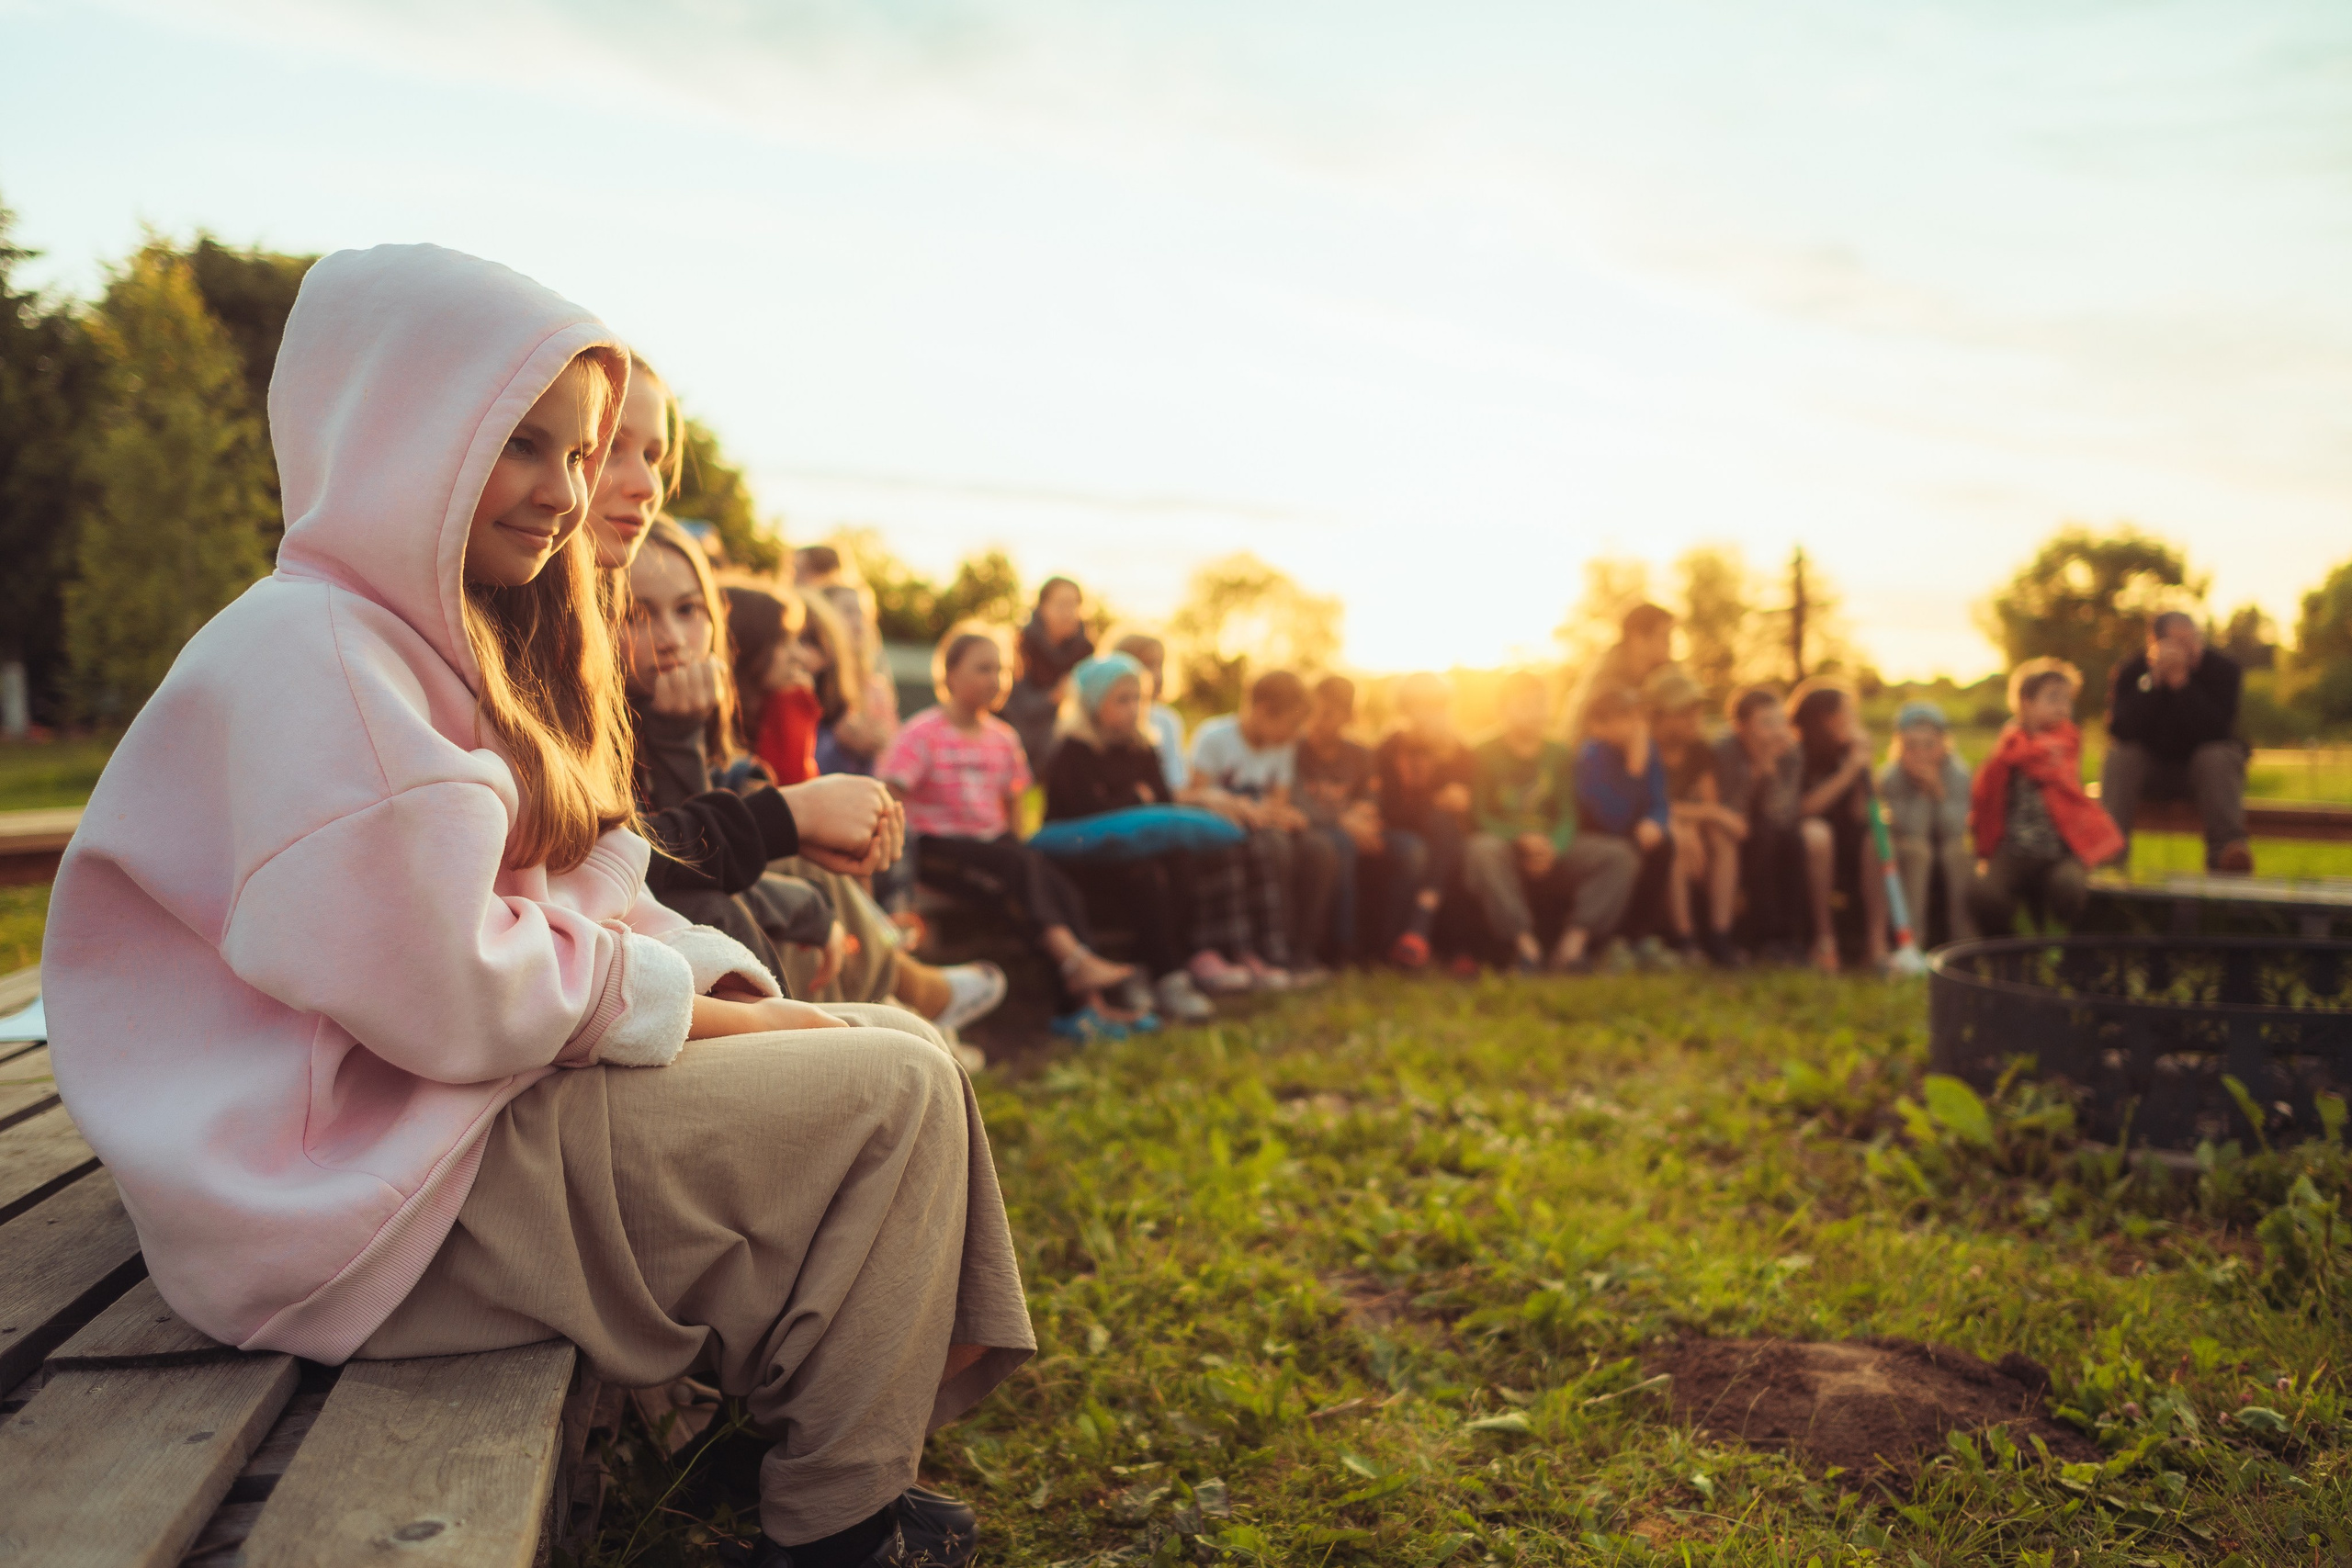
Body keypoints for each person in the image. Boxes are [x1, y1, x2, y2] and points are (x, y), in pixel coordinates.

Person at [42, 246, 1031, 1568]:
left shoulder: (420, 640)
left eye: (585, 452)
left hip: (411, 1125)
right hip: (342, 1196)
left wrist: (730, 989)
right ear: (396, 430)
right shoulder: (320, 659)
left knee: (903, 1049)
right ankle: (837, 1528)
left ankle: (810, 1435)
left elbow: (572, 881)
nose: (566, 492)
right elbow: (460, 989)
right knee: (893, 1091)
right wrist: (700, 1018)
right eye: (522, 444)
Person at [880, 628, 1214, 1032]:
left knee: (1057, 886)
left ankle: (1088, 1006)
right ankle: (1077, 976)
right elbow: (891, 796)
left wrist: (1018, 846)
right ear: (949, 675)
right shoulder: (922, 733)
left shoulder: (1003, 738)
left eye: (1002, 670)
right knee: (1018, 869)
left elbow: (1013, 807)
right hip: (938, 847)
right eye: (983, 669)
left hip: (995, 849)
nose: (996, 679)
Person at [1044, 653, 1283, 995]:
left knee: (1180, 861)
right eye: (1122, 699)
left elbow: (1160, 801)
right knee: (1144, 873)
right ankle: (1167, 974)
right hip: (1084, 861)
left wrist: (1128, 797)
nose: (1133, 707)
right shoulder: (1073, 752)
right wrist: (1135, 797)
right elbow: (1088, 810)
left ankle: (1154, 964)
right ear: (1095, 705)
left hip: (1140, 851)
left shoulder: (1144, 748)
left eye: (1138, 698)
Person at [1468, 671, 1638, 972]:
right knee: (1482, 850)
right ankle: (1524, 946)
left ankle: (1573, 946)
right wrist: (1520, 838)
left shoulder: (1559, 754)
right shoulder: (1483, 752)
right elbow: (1479, 815)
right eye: (1526, 704)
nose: (1536, 712)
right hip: (1508, 847)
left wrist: (1553, 848)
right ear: (1504, 708)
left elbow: (1568, 815)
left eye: (1541, 704)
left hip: (1553, 846)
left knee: (1619, 857)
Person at [1187, 670, 1338, 979]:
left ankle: (1303, 948)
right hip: (1229, 828)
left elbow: (1278, 800)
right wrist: (1262, 811)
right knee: (1276, 847)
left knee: (1321, 849)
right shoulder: (1214, 737)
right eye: (1292, 723)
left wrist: (1283, 814)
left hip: (1264, 823)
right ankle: (1271, 948)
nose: (1297, 733)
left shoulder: (1283, 745)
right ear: (1263, 711)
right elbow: (1195, 792)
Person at [1971, 659, 2124, 932]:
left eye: (2067, 700)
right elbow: (1986, 793)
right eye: (2053, 698)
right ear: (2026, 702)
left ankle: (2064, 943)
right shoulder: (2008, 749)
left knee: (2068, 885)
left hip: (2060, 851)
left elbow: (2060, 779)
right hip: (2013, 850)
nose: (2063, 707)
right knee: (1987, 894)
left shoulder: (2064, 745)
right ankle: (2006, 947)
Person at [2104, 610, 2252, 874]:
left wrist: (2182, 685)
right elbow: (2120, 730)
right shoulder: (2132, 672)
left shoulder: (2224, 669)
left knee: (2217, 755)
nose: (2191, 647)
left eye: (2193, 638)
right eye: (2179, 641)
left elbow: (2219, 731)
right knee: (2121, 756)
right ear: (2155, 644)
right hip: (2150, 774)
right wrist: (2155, 683)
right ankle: (2109, 853)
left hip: (2207, 778)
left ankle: (2227, 854)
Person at [1374, 673, 1476, 967]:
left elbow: (1468, 802)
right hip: (1400, 830)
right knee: (1433, 836)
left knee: (1450, 835)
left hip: (1444, 835)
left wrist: (1460, 800)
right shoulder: (1390, 747)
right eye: (1418, 705)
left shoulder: (1459, 751)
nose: (1426, 712)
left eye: (1435, 705)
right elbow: (1389, 808)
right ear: (1404, 708)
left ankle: (1420, 932)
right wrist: (1433, 801)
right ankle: (1431, 932)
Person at [1574, 684, 1679, 967]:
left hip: (1635, 832)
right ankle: (1610, 941)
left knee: (1663, 844)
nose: (1636, 726)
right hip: (1600, 837)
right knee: (1624, 853)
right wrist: (1633, 771)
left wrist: (1655, 822)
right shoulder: (1591, 757)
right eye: (1626, 719)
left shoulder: (1647, 748)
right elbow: (1611, 817)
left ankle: (1638, 937)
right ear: (1599, 725)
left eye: (1638, 718)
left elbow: (1660, 799)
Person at [1789, 681, 1891, 975]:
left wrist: (1864, 768)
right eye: (1850, 713)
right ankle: (1825, 940)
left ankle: (1876, 946)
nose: (1855, 720)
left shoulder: (1849, 752)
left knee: (1877, 836)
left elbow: (1862, 813)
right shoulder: (1797, 753)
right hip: (1807, 841)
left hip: (1849, 837)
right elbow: (1804, 808)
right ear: (1828, 719)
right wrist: (1848, 773)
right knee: (1819, 834)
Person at [1645, 667, 1740, 965]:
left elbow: (1708, 801)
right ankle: (1684, 939)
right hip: (1652, 830)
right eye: (1685, 711)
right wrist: (1699, 817)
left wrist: (1700, 820)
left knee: (1721, 839)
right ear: (1660, 716)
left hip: (1688, 826)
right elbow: (1650, 803)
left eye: (1697, 710)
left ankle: (1719, 935)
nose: (1695, 718)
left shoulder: (1699, 750)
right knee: (1675, 839)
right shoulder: (1645, 750)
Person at [1294, 676, 1382, 964]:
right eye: (1313, 713)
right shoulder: (1295, 750)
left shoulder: (1360, 755)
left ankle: (1385, 944)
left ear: (1346, 716)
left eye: (1328, 714)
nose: (1317, 721)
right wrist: (1342, 821)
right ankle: (1342, 945)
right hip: (1312, 829)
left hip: (1354, 829)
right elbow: (1297, 802)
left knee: (1409, 850)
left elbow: (1370, 798)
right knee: (1339, 844)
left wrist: (1362, 818)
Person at [1712, 685, 1804, 958]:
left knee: (1792, 841)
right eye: (1766, 723)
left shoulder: (1790, 752)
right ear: (1741, 727)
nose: (1777, 731)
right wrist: (1755, 775)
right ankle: (1763, 937)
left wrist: (1770, 774)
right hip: (1732, 829)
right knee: (1760, 838)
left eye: (1780, 722)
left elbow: (1785, 813)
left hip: (1772, 827)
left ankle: (1789, 937)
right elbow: (1730, 810)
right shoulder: (1724, 750)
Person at [1877, 700, 1977, 946]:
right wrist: (1923, 792)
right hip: (1910, 844)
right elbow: (1912, 830)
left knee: (1957, 853)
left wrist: (1939, 793)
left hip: (1947, 843)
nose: (1921, 753)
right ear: (1899, 745)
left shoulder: (1958, 773)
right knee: (1917, 851)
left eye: (1929, 745)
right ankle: (1913, 940)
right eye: (1912, 746)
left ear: (1944, 743)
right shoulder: (1891, 777)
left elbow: (1955, 829)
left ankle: (1964, 939)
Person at [1002, 576, 1093, 773]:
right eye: (1061, 604)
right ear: (1042, 607)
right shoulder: (1021, 645)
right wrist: (1054, 697)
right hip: (1022, 733)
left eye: (1074, 605)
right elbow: (1012, 706)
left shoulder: (1087, 651)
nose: (1068, 612)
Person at [1569, 602, 1679, 741]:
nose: (1670, 644)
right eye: (1664, 636)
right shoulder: (1607, 683)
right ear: (1637, 639)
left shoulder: (1655, 676)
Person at [1113, 632, 1189, 793]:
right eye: (1147, 665)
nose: (1156, 675)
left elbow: (1176, 782)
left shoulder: (1167, 720)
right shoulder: (1108, 720)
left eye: (1159, 665)